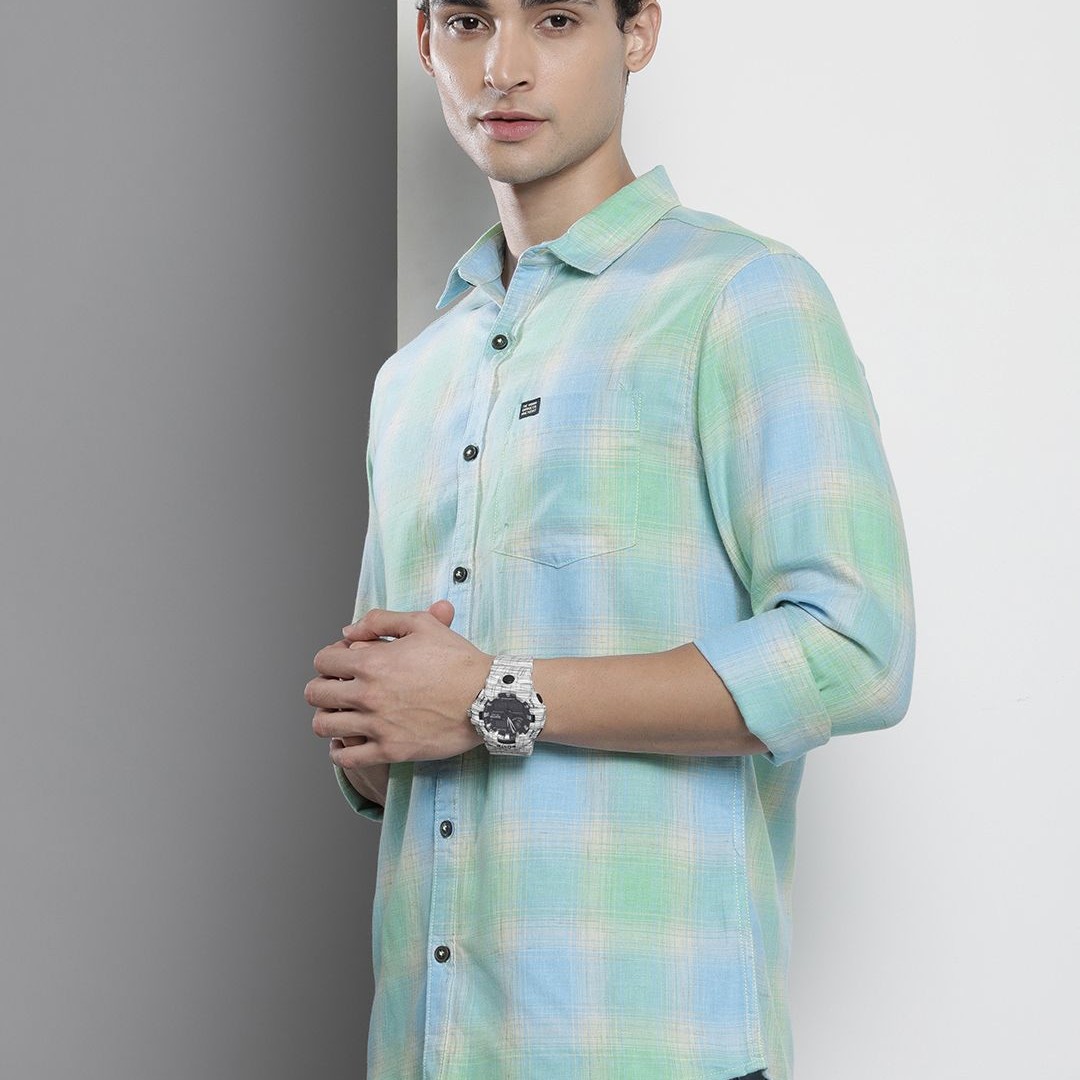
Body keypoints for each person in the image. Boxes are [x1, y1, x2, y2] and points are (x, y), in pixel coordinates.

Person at [305, 0, 915, 1077]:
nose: (502, 67)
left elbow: (856, 651)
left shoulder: (740, 298)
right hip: (429, 1048)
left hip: (645, 1044)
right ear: (425, 43)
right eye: (467, 22)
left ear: (637, 34)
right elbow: (396, 716)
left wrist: (489, 696)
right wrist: (372, 733)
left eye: (554, 19)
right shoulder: (414, 378)